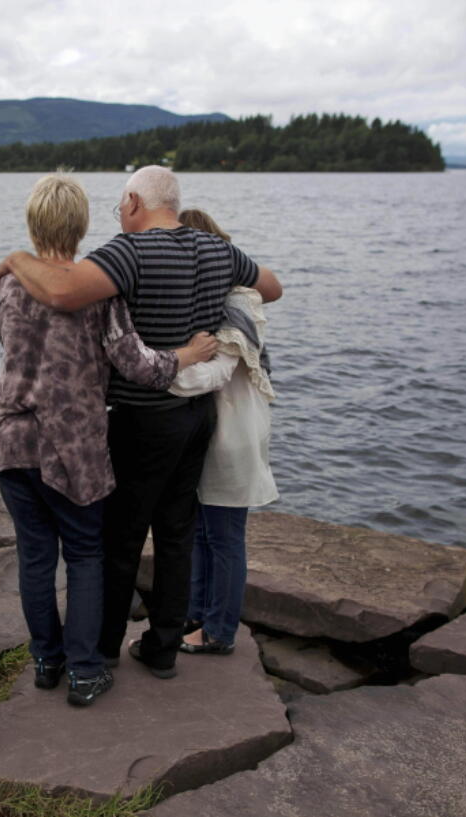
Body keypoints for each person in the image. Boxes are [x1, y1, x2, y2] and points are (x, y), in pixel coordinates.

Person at [0, 166, 281, 678]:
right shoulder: (219, 250)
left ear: (133, 202)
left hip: (138, 419)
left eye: (119, 207)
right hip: (195, 416)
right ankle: (164, 647)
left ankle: (95, 652)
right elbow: (272, 288)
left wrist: (17, 258)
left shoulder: (124, 254)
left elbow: (61, 292)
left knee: (119, 540)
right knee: (176, 533)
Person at [172, 208, 280, 656]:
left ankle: (219, 631)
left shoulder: (237, 303)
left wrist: (160, 372)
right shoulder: (208, 301)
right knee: (202, 532)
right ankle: (195, 618)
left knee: (225, 535)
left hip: (232, 434)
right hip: (213, 432)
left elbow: (216, 372)